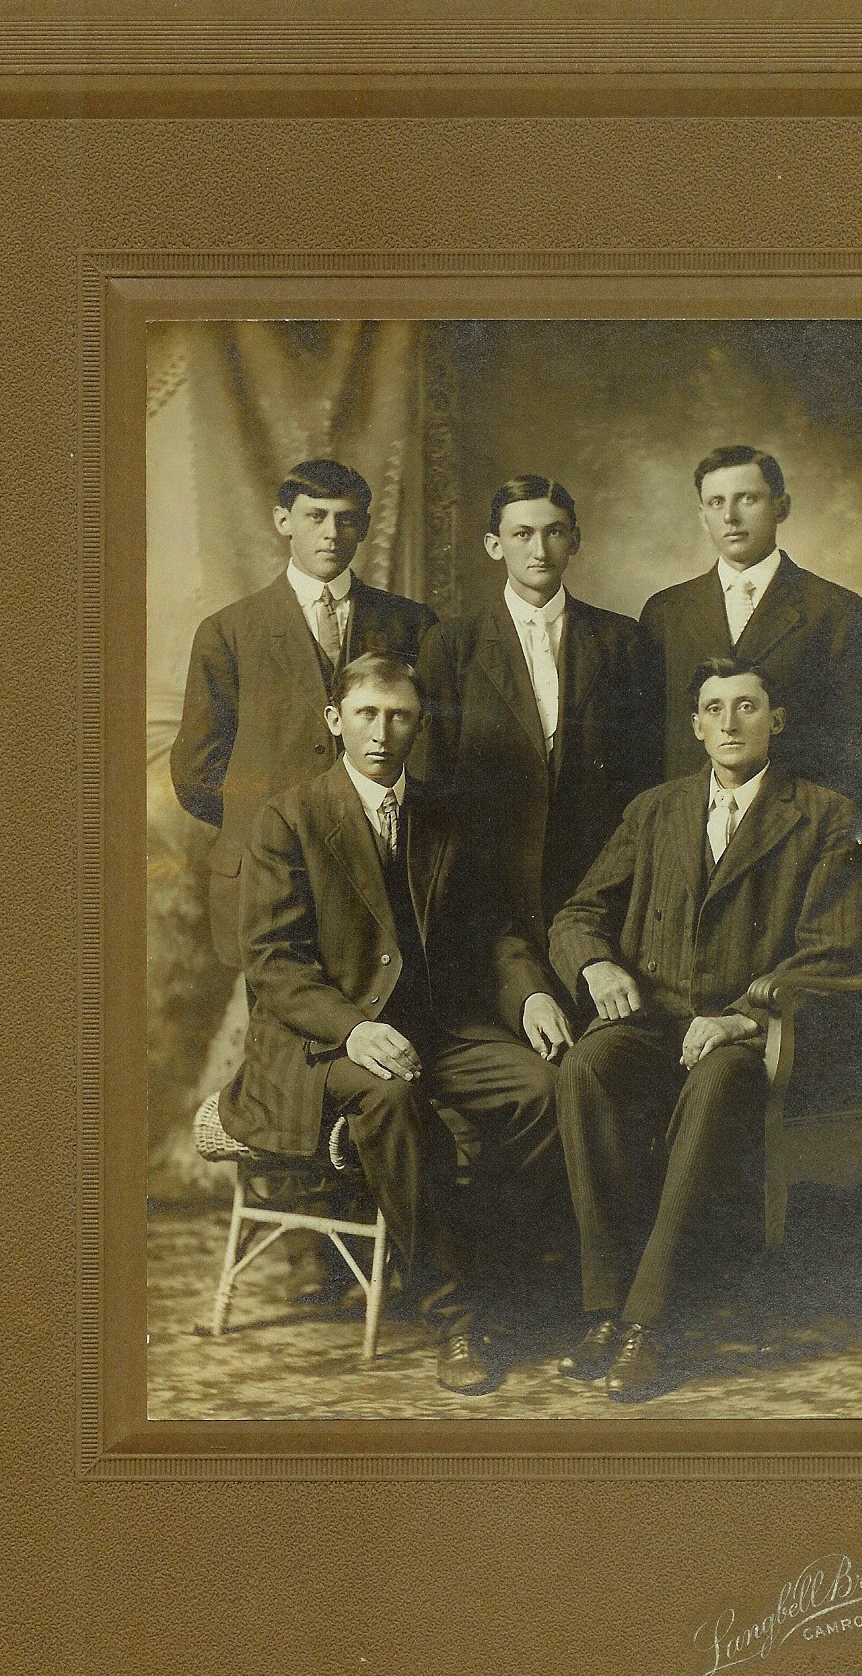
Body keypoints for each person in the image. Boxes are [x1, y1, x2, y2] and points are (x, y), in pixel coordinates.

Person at [218, 653, 575, 1394]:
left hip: (433, 1029)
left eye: (399, 716)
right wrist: (352, 1029)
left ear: (418, 725)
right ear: (335, 720)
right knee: (390, 1095)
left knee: (541, 1086)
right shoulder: (290, 817)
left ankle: (500, 1278)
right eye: (366, 714)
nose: (381, 732)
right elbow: (274, 963)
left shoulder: (444, 814)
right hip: (319, 1043)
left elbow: (494, 931)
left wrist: (532, 996)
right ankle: (455, 1317)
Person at [548, 659, 862, 1401]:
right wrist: (595, 965)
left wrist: (738, 1019)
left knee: (719, 1078)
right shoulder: (656, 809)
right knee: (588, 1064)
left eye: (746, 706)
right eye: (714, 708)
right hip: (657, 1018)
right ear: (694, 725)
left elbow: (832, 951)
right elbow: (579, 912)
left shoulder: (824, 816)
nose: (729, 723)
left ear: (775, 720)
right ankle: (604, 1307)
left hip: (757, 1033)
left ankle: (647, 1323)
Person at [171, 458, 438, 967]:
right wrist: (266, 825)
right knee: (281, 1009)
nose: (331, 533)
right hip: (270, 877)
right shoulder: (228, 631)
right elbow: (195, 772)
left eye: (346, 518)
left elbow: (431, 746)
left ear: (364, 527)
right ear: (283, 521)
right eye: (315, 516)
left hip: (381, 870)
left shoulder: (410, 623)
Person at [419, 475, 662, 945]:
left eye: (554, 532)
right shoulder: (452, 644)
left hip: (595, 875)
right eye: (522, 534)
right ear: (494, 545)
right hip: (488, 881)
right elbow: (434, 773)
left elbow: (642, 772)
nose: (540, 550)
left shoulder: (620, 640)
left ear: (575, 540)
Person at [639, 446, 862, 818]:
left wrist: (819, 833)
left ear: (781, 507)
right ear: (703, 516)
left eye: (747, 499)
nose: (730, 516)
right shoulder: (665, 612)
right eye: (716, 502)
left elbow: (861, 752)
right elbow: (643, 744)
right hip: (687, 829)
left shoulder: (836, 611)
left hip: (795, 832)